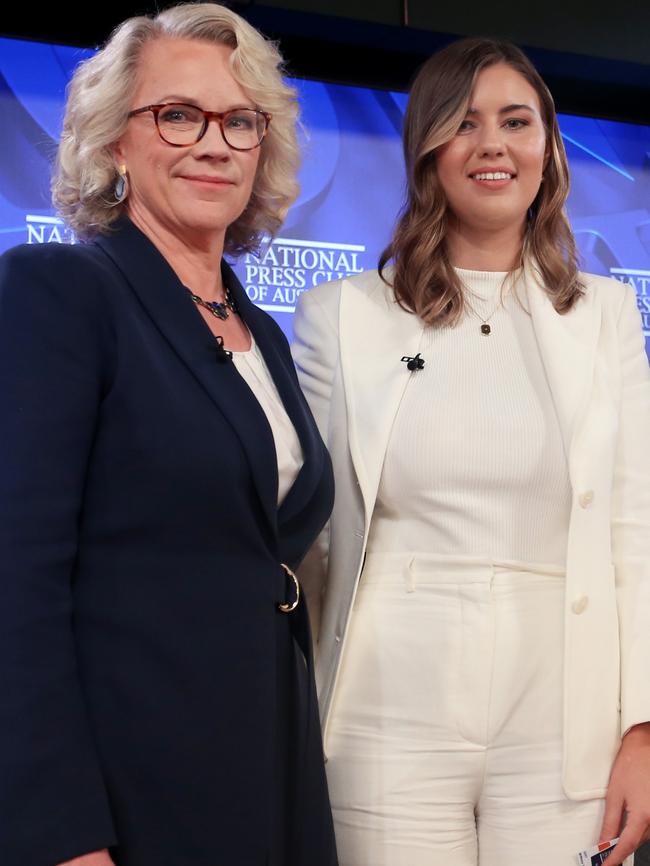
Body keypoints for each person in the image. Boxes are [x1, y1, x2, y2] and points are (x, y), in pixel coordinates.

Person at [292, 36, 650, 866]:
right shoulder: (340, 313)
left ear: (549, 149)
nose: (492, 144)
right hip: (386, 705)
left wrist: (641, 723)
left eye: (516, 122)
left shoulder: (606, 315)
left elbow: (635, 527)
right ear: (426, 151)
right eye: (463, 122)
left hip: (568, 713)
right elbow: (308, 531)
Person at [0, 5, 337, 866]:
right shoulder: (61, 292)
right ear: (115, 140)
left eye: (240, 121)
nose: (214, 143)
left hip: (271, 775)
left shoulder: (260, 332)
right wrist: (61, 835)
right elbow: (16, 585)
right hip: (129, 794)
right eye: (178, 114)